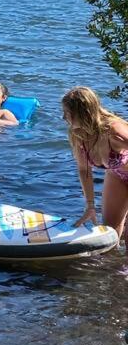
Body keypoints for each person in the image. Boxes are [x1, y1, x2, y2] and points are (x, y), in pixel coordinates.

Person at [62, 86, 128, 243]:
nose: (63, 117)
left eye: (67, 113)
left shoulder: (113, 131)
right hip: (117, 175)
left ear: (82, 112)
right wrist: (90, 206)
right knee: (110, 232)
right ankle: (111, 267)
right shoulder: (78, 134)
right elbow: (84, 170)